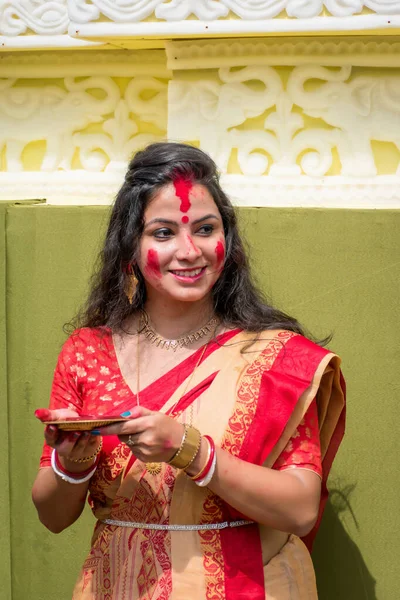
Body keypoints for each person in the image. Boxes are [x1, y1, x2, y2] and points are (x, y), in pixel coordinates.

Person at [32, 142, 345, 600]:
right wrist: (74, 462)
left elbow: (300, 510)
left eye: (205, 228)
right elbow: (53, 517)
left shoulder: (276, 358)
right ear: (130, 248)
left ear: (228, 241)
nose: (189, 250)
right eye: (162, 233)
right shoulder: (87, 351)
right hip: (117, 584)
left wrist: (188, 448)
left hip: (247, 585)